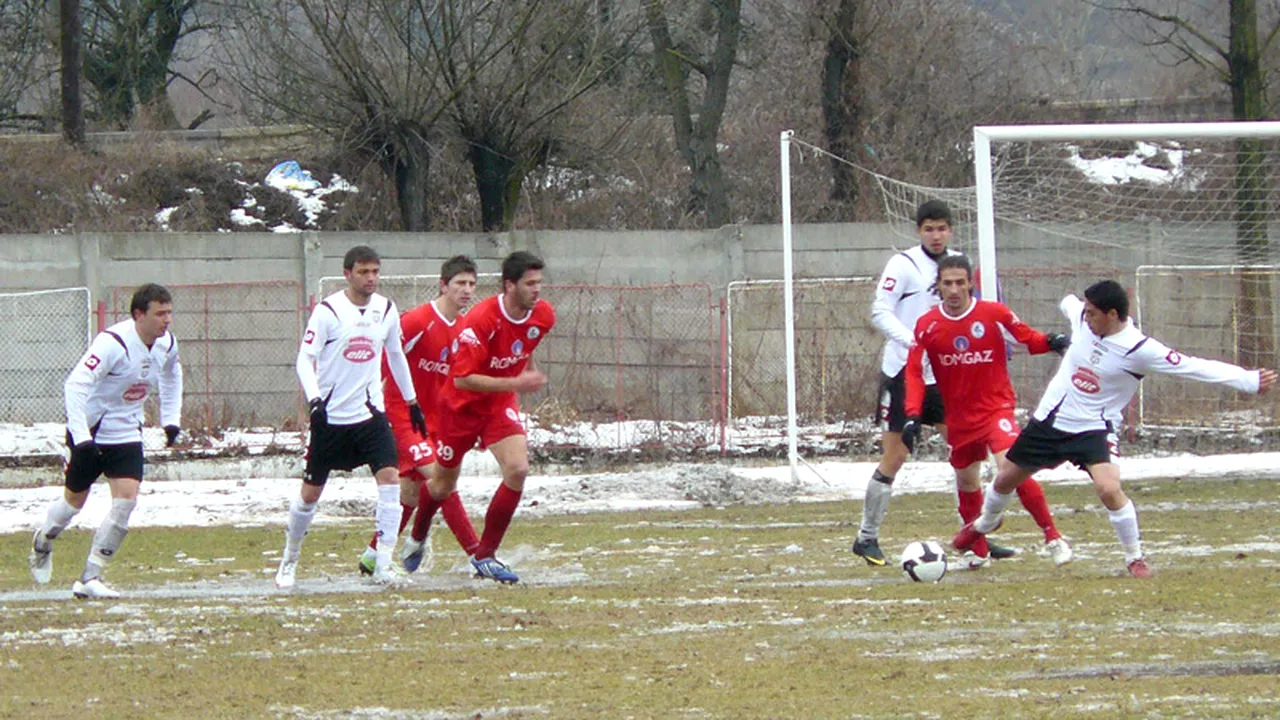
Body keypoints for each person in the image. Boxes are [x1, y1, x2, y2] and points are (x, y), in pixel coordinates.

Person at [953, 279, 1278, 578]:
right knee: (1005, 479)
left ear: (1112, 314)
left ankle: (1134, 557)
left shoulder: (1141, 350)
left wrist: (1248, 380)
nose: (1086, 316)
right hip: (1050, 421)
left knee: (1109, 489)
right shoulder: (1083, 318)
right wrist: (1067, 304)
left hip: (1095, 428)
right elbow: (1070, 305)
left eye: (1092, 313)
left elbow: (1194, 367)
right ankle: (982, 524)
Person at [853, 199, 1015, 565]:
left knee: (966, 455)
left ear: (951, 230)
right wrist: (915, 342)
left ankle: (975, 537)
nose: (936, 235)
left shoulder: (957, 265)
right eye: (929, 229)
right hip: (904, 374)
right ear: (918, 231)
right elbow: (880, 311)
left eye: (942, 228)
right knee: (896, 455)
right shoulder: (904, 264)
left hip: (946, 377)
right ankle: (867, 537)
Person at [903, 255, 1073, 568]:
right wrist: (912, 413)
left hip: (996, 409)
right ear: (938, 286)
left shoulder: (993, 313)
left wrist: (1052, 341)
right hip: (959, 418)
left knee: (1011, 468)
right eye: (947, 283)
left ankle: (1052, 536)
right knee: (967, 482)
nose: (954, 289)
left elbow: (1027, 338)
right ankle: (978, 551)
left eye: (959, 282)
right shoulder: (928, 325)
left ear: (970, 283)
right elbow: (914, 371)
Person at [275, 245, 427, 589]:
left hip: (370, 414)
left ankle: (383, 565)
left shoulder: (386, 309)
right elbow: (304, 360)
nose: (370, 278)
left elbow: (396, 355)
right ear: (348, 274)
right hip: (331, 419)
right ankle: (289, 559)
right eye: (363, 272)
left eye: (375, 271)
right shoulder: (328, 311)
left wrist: (412, 400)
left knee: (390, 480)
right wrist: (315, 401)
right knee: (310, 494)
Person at [28, 283, 184, 599]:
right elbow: (75, 385)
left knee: (126, 501)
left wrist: (171, 418)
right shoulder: (113, 343)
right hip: (92, 432)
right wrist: (81, 439)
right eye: (160, 313)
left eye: (169, 312)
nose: (167, 320)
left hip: (126, 432)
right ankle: (43, 539)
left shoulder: (167, 343)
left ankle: (90, 575)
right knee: (73, 503)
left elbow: (172, 374)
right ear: (139, 314)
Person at [426, 250, 556, 584]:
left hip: (499, 405)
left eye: (540, 282)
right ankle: (418, 533)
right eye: (530, 284)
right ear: (509, 285)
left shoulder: (543, 316)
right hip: (461, 408)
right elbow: (462, 378)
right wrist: (516, 381)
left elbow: (523, 348)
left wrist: (527, 373)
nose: (537, 290)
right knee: (441, 485)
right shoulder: (481, 319)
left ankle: (485, 555)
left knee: (518, 469)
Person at [356, 255, 482, 576]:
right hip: (403, 417)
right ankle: (480, 555)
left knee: (410, 495)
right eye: (460, 284)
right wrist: (367, 408)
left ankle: (373, 554)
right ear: (443, 285)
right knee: (443, 481)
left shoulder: (467, 330)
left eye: (471, 284)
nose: (466, 290)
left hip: (439, 424)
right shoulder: (415, 321)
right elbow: (384, 366)